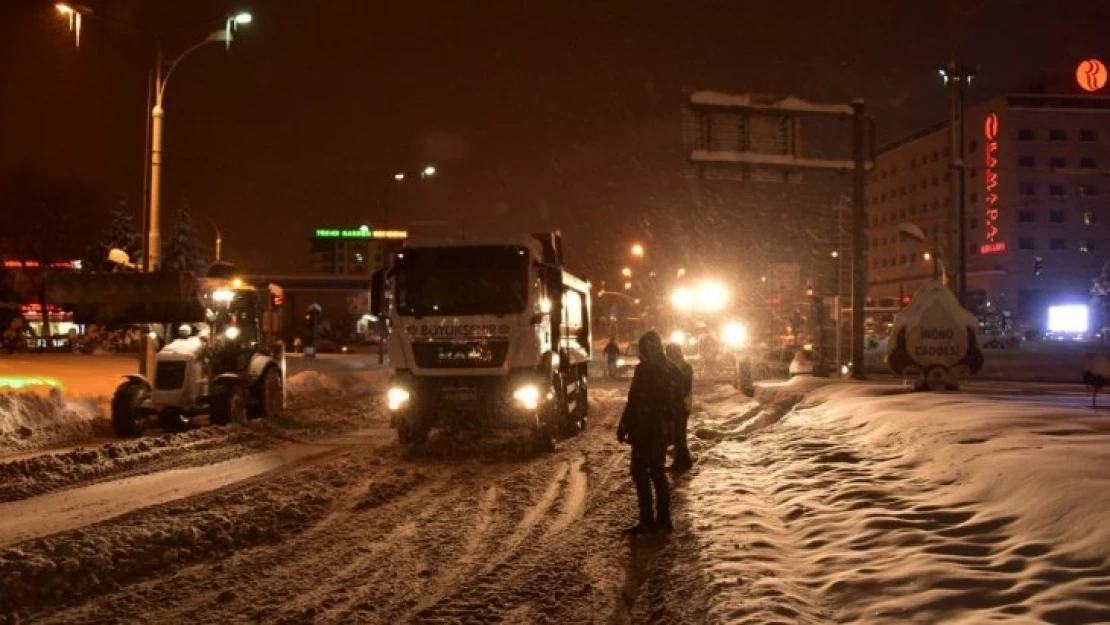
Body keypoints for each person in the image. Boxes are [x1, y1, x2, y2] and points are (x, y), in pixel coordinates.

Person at [617, 331, 680, 534]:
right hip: (650, 429)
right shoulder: (669, 369)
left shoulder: (654, 370)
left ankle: (654, 520)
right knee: (652, 472)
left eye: (643, 350)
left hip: (650, 429)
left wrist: (628, 423)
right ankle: (658, 519)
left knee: (649, 472)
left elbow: (640, 400)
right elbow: (634, 400)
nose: (640, 355)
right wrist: (625, 423)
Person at [665, 343, 694, 472]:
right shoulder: (678, 366)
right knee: (677, 434)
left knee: (679, 434)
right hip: (678, 404)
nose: (667, 355)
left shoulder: (684, 367)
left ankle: (684, 461)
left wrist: (676, 397)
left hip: (682, 405)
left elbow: (685, 388)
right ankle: (681, 460)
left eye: (669, 353)